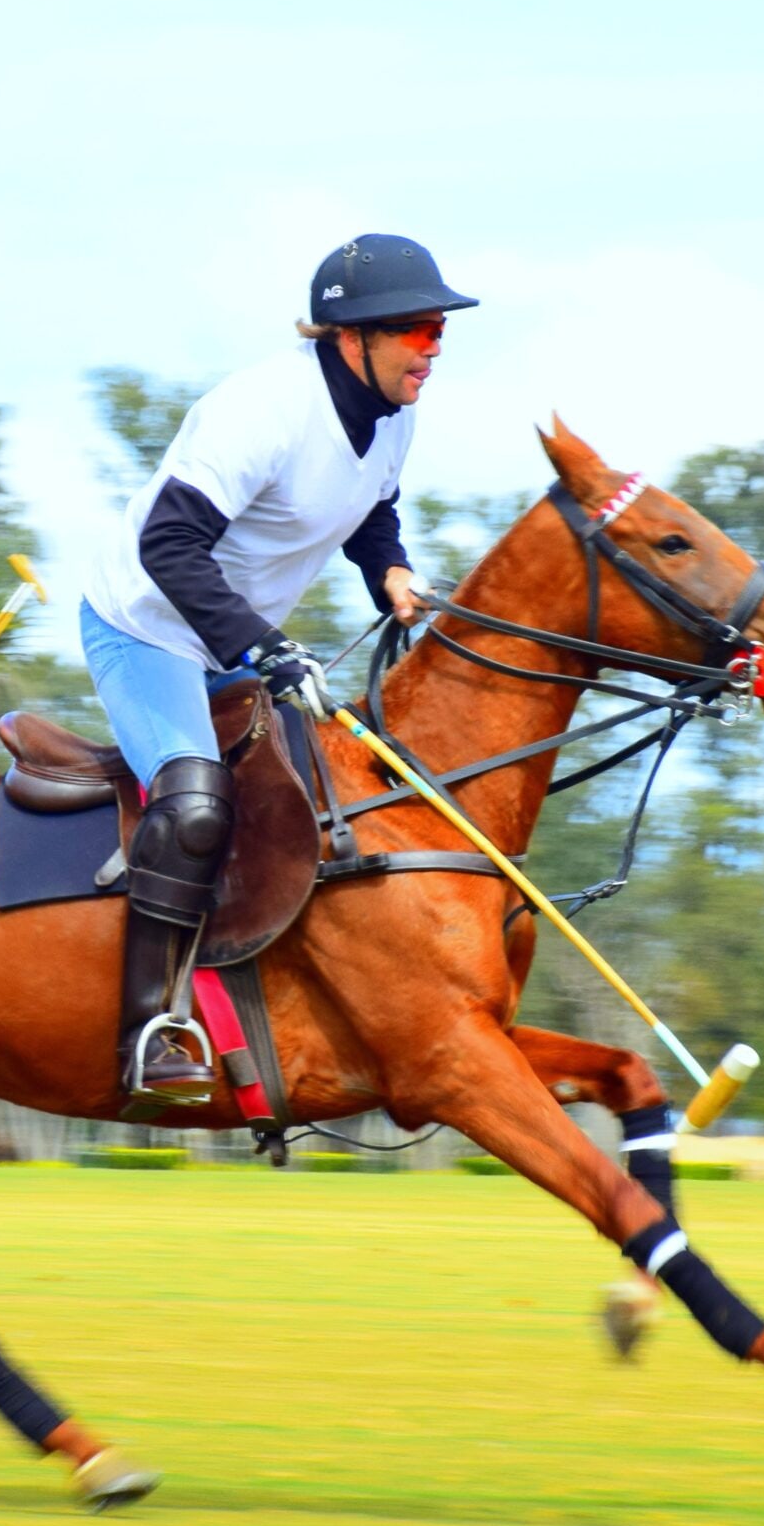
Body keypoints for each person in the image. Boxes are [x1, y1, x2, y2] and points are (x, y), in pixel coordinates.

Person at [77, 233, 477, 1097]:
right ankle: (151, 1029)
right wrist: (263, 646)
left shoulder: (394, 414)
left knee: (326, 804)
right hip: (144, 624)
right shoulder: (261, 410)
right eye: (415, 329)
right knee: (190, 808)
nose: (433, 348)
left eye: (439, 329)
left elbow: (374, 509)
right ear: (348, 336)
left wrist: (391, 570)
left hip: (228, 638)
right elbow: (167, 545)